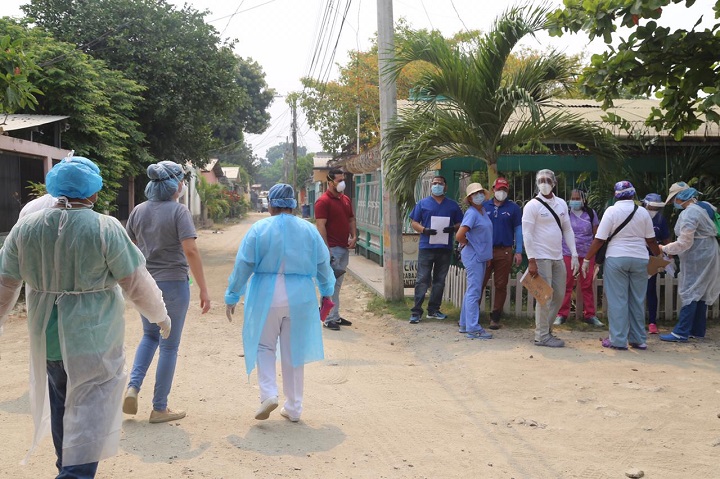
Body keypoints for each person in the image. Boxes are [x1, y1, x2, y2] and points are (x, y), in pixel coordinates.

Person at [0, 156, 170, 478]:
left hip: (49, 341)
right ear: (93, 192)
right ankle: (73, 474)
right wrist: (159, 314)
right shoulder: (105, 228)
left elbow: (5, 284)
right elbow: (136, 282)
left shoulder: (26, 228)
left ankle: (65, 467)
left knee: (62, 408)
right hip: (95, 342)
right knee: (88, 420)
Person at [225, 183, 335, 422]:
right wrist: (327, 292)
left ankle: (268, 395)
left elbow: (244, 264)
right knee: (293, 351)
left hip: (266, 295)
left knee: (264, 347)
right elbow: (323, 265)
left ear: (271, 205)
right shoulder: (309, 230)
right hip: (301, 297)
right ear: (293, 204)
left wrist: (233, 295)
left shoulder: (258, 230)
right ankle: (294, 408)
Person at [123, 161, 211, 424]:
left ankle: (133, 387)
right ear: (176, 184)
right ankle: (159, 408)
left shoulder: (138, 211)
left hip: (146, 284)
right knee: (169, 346)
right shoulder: (179, 212)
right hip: (173, 284)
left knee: (149, 337)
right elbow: (191, 250)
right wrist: (204, 289)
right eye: (182, 180)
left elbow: (129, 247)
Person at [583, 181, 661, 350]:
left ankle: (618, 340)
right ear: (633, 195)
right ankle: (638, 339)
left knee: (618, 300)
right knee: (638, 299)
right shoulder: (642, 212)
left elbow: (600, 239)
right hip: (640, 258)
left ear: (615, 195)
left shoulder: (611, 211)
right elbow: (651, 240)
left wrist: (588, 258)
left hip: (616, 258)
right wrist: (659, 256)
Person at [521, 169, 579, 348]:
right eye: (540, 180)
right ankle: (542, 336)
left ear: (554, 183)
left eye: (547, 180)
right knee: (544, 297)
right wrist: (531, 259)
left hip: (558, 256)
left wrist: (574, 253)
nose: (544, 183)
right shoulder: (532, 205)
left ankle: (547, 329)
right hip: (540, 257)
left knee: (559, 295)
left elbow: (567, 229)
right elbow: (527, 234)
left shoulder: (561, 204)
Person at [659, 187, 720, 342]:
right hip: (709, 251)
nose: (674, 202)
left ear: (682, 197)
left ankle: (681, 332)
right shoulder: (706, 206)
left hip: (697, 254)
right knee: (701, 291)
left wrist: (665, 248)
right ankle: (697, 330)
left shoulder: (690, 213)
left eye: (675, 199)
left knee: (690, 290)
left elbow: (685, 241)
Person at [408, 175, 464, 324]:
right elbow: (414, 222)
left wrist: (452, 228)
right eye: (434, 183)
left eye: (440, 183)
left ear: (445, 186)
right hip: (427, 247)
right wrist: (424, 230)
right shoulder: (422, 204)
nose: (437, 185)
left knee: (439, 280)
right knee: (422, 279)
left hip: (444, 248)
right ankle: (416, 311)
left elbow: (461, 222)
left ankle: (433, 310)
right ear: (430, 186)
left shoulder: (452, 205)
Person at [314, 168, 356, 330]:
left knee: (337, 285)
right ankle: (327, 318)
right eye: (339, 180)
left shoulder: (345, 199)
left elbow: (351, 219)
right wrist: (326, 249)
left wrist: (353, 236)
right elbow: (321, 226)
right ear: (330, 182)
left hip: (343, 247)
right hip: (331, 248)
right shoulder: (323, 201)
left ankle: (335, 315)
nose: (342, 183)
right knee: (328, 284)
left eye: (343, 180)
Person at [555, 189, 603, 327]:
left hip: (587, 254)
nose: (575, 200)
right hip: (567, 253)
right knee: (567, 283)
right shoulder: (565, 214)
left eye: (578, 198)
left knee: (587, 284)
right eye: (573, 198)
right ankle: (561, 314)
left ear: (583, 200)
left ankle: (590, 315)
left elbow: (597, 234)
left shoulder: (590, 213)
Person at [480, 177, 523, 329]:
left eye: (504, 189)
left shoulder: (513, 208)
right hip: (485, 250)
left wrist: (519, 251)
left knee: (501, 284)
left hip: (504, 251)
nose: (501, 192)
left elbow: (518, 230)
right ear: (493, 189)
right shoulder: (484, 206)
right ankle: (471, 316)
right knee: (479, 282)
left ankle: (495, 317)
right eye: (499, 189)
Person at [456, 183, 494, 339]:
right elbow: (459, 235)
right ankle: (473, 328)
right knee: (474, 291)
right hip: (474, 256)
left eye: (480, 193)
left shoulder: (482, 211)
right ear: (470, 199)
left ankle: (465, 324)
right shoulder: (472, 213)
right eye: (475, 194)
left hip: (480, 256)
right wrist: (471, 244)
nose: (478, 195)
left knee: (472, 290)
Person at [641, 193, 671, 334]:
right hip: (637, 255)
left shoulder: (660, 219)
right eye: (652, 206)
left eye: (657, 207)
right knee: (634, 290)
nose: (654, 209)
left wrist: (669, 256)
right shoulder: (639, 216)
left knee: (651, 288)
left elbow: (666, 239)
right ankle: (636, 320)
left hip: (653, 258)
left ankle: (652, 322)